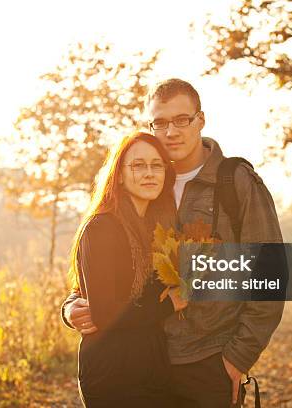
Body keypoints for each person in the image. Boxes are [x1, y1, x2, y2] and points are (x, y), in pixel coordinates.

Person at [63, 78, 285, 407]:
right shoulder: (148, 187)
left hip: (209, 359)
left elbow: (270, 276)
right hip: (146, 361)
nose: (172, 132)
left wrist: (237, 358)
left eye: (182, 120)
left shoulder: (235, 183)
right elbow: (110, 265)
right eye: (161, 123)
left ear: (201, 120)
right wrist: (72, 306)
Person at [70, 131, 188, 407]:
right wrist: (170, 303)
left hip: (150, 365)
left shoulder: (156, 228)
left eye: (157, 165)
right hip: (113, 371)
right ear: (119, 174)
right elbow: (105, 313)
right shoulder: (102, 227)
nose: (149, 173)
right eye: (138, 165)